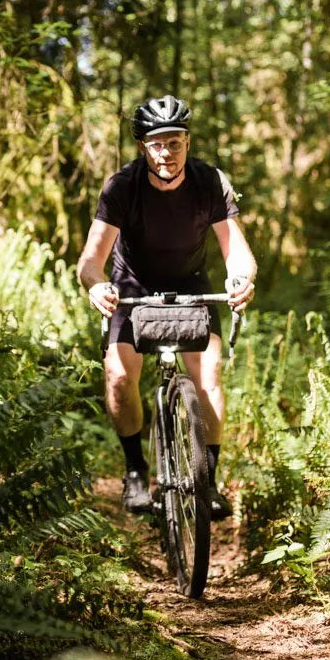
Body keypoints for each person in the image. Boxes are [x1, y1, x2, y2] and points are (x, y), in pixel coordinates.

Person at [76, 95, 256, 517]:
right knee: (119, 376)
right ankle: (136, 470)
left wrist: (242, 280)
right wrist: (97, 285)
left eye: (174, 142)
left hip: (191, 283)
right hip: (130, 285)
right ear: (143, 148)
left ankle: (207, 482)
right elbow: (90, 260)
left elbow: (237, 251)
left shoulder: (209, 181)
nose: (166, 153)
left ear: (188, 142)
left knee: (208, 375)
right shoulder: (122, 186)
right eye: (157, 144)